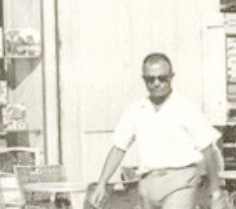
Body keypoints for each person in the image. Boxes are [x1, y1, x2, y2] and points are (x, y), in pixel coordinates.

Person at [90, 53, 225, 209]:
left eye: (162, 78)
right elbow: (119, 147)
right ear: (143, 79)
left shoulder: (187, 108)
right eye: (150, 79)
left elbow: (208, 150)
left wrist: (216, 191)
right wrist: (102, 183)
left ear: (171, 77)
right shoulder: (136, 110)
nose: (156, 83)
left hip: (180, 182)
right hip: (148, 185)